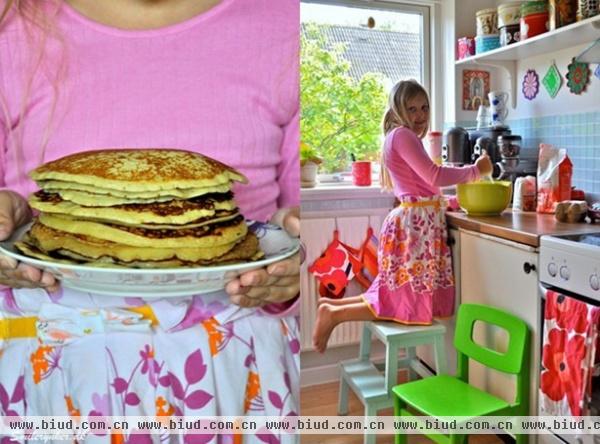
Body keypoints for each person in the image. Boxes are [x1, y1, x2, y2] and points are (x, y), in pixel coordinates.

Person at [0, 0, 300, 442]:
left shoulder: (287, 22)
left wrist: (290, 265)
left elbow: (295, 226)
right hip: (52, 380)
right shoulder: (11, 27)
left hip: (234, 381)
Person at [312, 79, 492, 353]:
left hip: (413, 223)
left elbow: (423, 188)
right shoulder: (403, 136)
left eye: (424, 108)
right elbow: (435, 176)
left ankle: (331, 307)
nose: (420, 116)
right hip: (413, 229)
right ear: (398, 110)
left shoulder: (397, 137)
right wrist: (476, 170)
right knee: (398, 300)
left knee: (392, 292)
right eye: (412, 109)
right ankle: (335, 316)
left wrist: (448, 203)